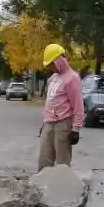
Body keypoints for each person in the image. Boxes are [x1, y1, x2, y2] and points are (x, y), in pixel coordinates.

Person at [39, 43, 84, 171]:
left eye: (52, 64)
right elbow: (50, 101)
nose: (51, 68)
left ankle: (63, 183)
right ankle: (43, 183)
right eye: (49, 65)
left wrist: (76, 129)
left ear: (60, 60)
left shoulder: (72, 78)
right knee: (44, 160)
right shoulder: (53, 78)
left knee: (62, 163)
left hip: (63, 124)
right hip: (49, 123)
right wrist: (44, 122)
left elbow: (78, 105)